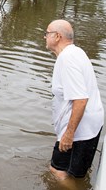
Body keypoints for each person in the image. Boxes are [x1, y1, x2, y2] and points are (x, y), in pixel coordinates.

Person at [45, 19, 104, 181]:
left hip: (81, 130)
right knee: (77, 173)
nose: (44, 37)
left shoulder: (67, 59)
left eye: (47, 33)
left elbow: (80, 100)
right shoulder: (76, 52)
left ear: (57, 36)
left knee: (57, 171)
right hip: (91, 124)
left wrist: (68, 135)